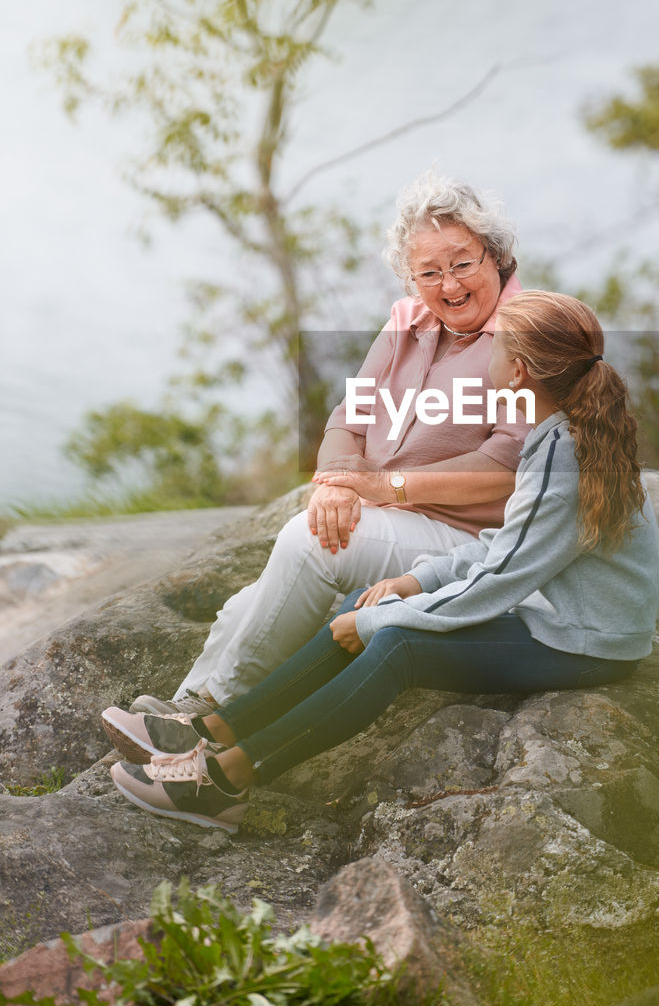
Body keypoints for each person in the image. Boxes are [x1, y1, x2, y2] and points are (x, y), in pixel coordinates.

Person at [103, 291, 659, 834]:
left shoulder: (561, 455)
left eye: (494, 347)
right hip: (560, 618)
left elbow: (502, 577)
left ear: (517, 371)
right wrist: (413, 581)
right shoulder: (557, 435)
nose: (485, 355)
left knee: (395, 644)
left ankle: (223, 783)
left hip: (589, 644)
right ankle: (214, 728)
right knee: (370, 601)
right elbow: (504, 545)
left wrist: (380, 622)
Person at [130, 171, 530, 718]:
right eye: (428, 272)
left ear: (496, 257)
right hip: (394, 516)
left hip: (469, 538)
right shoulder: (408, 320)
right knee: (244, 606)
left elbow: (503, 465)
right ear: (411, 280)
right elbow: (350, 415)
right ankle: (177, 712)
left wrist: (381, 488)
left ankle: (208, 717)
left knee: (313, 542)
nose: (449, 285)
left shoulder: (527, 331)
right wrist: (338, 482)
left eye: (462, 263)